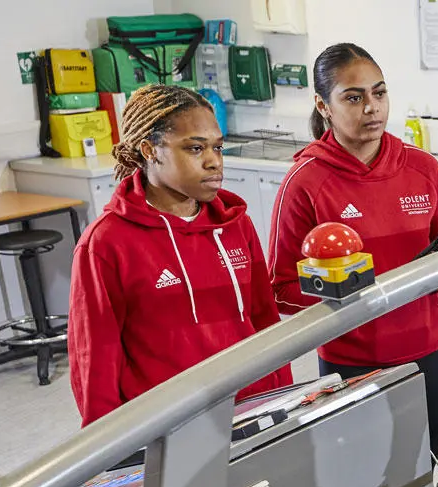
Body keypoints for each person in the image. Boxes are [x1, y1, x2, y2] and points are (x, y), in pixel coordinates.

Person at [269, 43, 438, 461]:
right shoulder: (305, 181)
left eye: (379, 93)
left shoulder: (424, 169)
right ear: (324, 105)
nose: (371, 107)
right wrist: (349, 292)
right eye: (353, 97)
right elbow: (281, 288)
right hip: (351, 364)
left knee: (422, 475)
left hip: (428, 354)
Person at [69, 84, 292, 428]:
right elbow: (95, 357)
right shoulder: (106, 243)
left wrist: (281, 398)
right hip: (169, 423)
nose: (213, 161)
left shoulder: (235, 224)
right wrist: (107, 446)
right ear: (149, 150)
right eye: (194, 148)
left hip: (250, 406)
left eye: (217, 147)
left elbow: (263, 319)